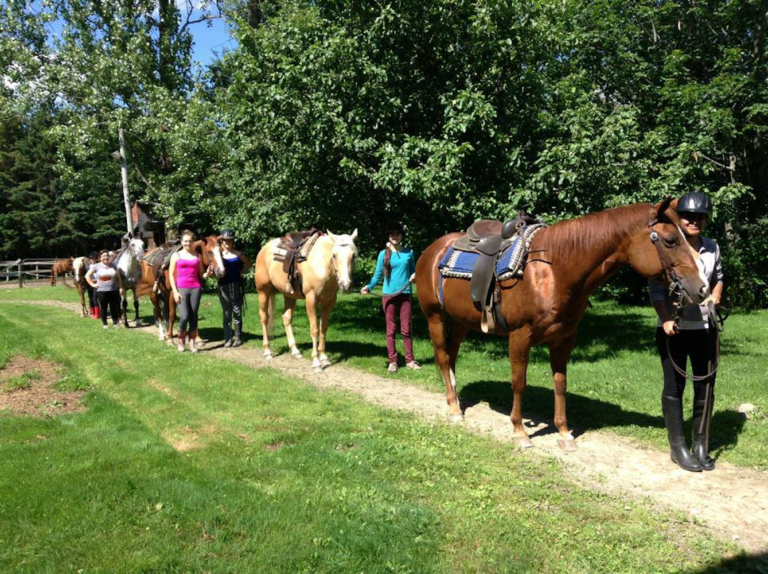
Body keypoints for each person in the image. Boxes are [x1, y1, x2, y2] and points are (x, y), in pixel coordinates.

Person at [650, 191, 724, 472]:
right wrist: (666, 318)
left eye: (699, 217)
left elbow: (718, 277)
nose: (694, 221)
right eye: (689, 217)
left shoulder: (712, 247)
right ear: (679, 219)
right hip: (675, 327)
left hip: (705, 326)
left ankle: (701, 444)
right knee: (674, 386)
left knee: (705, 384)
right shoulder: (668, 246)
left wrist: (715, 297)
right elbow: (656, 287)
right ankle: (677, 445)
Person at [360, 220, 420, 373]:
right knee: (391, 330)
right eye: (392, 234)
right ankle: (392, 361)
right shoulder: (383, 254)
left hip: (405, 294)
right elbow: (377, 276)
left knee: (406, 329)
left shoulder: (409, 253)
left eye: (398, 233)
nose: (395, 236)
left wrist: (414, 275)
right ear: (389, 236)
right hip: (389, 296)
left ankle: (410, 360)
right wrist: (369, 286)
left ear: (401, 236)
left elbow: (414, 271)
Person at [169, 230, 213, 353]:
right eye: (185, 241)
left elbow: (201, 275)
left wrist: (207, 274)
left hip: (195, 288)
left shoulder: (197, 256)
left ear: (193, 242)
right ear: (181, 242)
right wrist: (175, 291)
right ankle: (181, 341)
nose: (188, 243)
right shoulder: (176, 256)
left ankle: (192, 343)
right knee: (184, 316)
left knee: (193, 316)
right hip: (181, 288)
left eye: (190, 241)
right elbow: (171, 275)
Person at [214, 229, 252, 348]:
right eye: (225, 241)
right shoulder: (218, 256)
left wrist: (242, 271)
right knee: (226, 312)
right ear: (222, 242)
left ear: (232, 241)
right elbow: (214, 269)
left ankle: (238, 337)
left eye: (229, 241)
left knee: (237, 311)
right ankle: (228, 338)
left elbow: (249, 264)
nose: (227, 243)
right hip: (223, 286)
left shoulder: (238, 254)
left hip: (236, 285)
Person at [85, 250, 124, 329]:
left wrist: (120, 287)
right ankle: (105, 324)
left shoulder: (114, 265)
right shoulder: (96, 266)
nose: (105, 257)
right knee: (103, 308)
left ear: (109, 257)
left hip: (114, 290)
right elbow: (87, 276)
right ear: (100, 258)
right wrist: (93, 284)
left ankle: (115, 323)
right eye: (103, 256)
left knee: (114, 307)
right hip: (101, 291)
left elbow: (119, 278)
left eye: (107, 256)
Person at [86, 251, 100, 319]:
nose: (93, 260)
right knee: (90, 298)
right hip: (89, 284)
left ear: (97, 259)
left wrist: (97, 280)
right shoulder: (88, 267)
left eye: (94, 259)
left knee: (95, 298)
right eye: (91, 259)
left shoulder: (99, 266)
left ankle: (97, 314)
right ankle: (93, 312)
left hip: (96, 284)